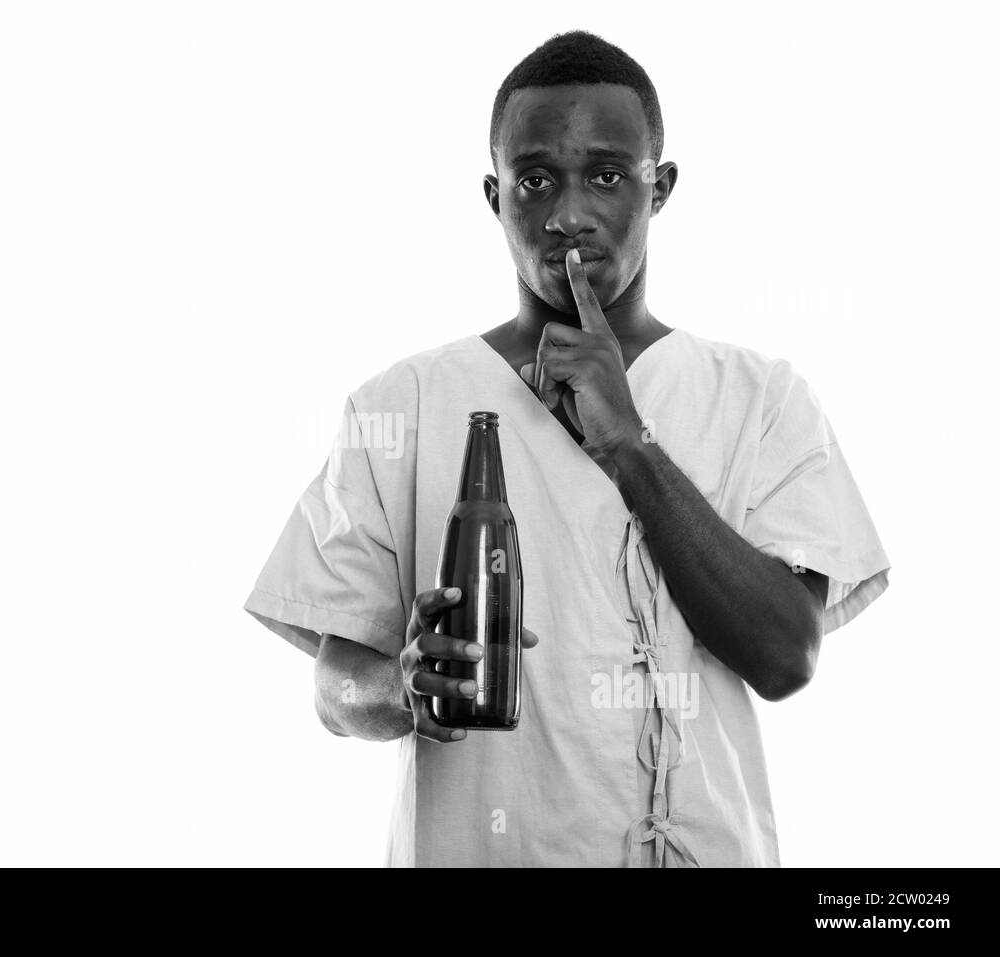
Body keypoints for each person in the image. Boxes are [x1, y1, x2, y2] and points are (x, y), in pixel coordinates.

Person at [242, 30, 890, 867]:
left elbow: (785, 655)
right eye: (535, 179)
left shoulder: (762, 399)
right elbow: (335, 687)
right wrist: (400, 685)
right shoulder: (402, 404)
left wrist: (630, 444)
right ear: (494, 194)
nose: (568, 214)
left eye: (609, 175)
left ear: (661, 188)